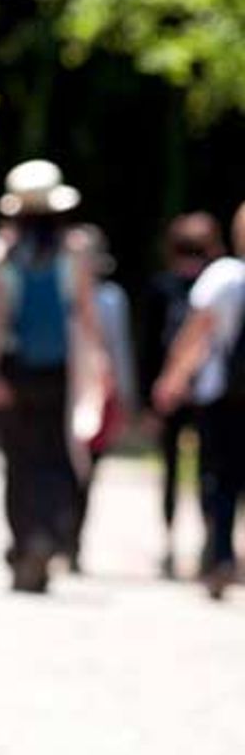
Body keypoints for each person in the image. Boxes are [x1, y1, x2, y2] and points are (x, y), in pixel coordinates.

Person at [0, 160, 111, 593]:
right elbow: (87, 317)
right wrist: (99, 370)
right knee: (57, 457)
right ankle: (47, 537)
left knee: (18, 461)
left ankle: (24, 541)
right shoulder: (75, 253)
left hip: (16, 371)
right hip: (61, 371)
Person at [154, 202, 245, 601]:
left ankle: (221, 554)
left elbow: (196, 333)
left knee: (220, 478)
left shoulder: (224, 276)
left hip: (223, 396)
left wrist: (171, 380)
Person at [139, 213, 225, 577]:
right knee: (211, 470)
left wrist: (150, 399)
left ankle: (170, 542)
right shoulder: (218, 282)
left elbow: (149, 348)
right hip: (211, 390)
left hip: (169, 391)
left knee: (171, 470)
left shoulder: (162, 286)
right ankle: (212, 543)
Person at [69, 224, 133, 572]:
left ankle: (72, 542)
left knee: (84, 472)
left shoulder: (108, 299)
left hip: (94, 392)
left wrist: (122, 397)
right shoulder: (104, 299)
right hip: (76, 392)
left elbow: (119, 351)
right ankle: (66, 541)